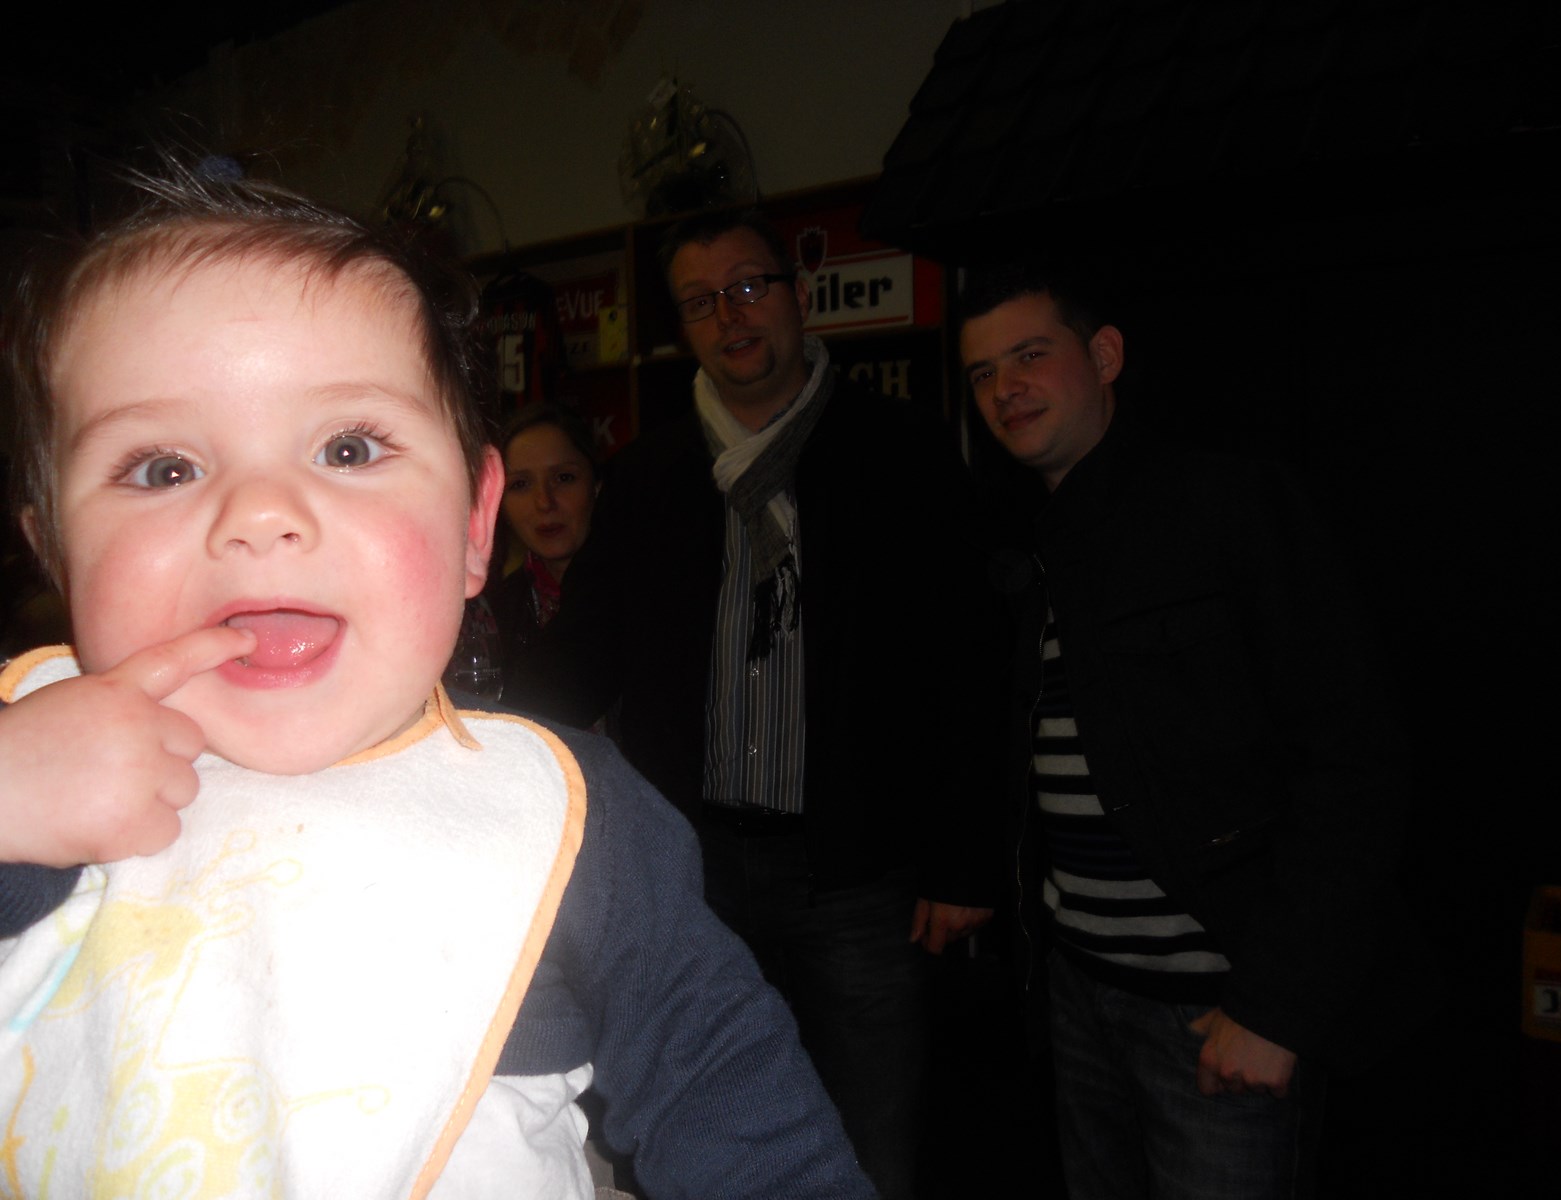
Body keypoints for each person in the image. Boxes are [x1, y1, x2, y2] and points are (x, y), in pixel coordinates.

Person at [0, 169, 874, 1200]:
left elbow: (740, 1113)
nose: (260, 514)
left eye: (348, 447)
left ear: (472, 525)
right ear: (55, 550)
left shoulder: (571, 825)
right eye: (163, 469)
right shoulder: (33, 775)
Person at [521, 209, 1001, 1200]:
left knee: (870, 1144)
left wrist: (964, 859)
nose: (729, 316)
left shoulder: (899, 451)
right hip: (695, 873)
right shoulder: (649, 475)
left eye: (748, 287)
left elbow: (966, 663)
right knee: (711, 1136)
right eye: (701, 302)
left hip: (858, 874)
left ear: (798, 294)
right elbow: (582, 656)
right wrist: (466, 734)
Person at [958, 263, 1412, 1198]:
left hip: (1216, 1018)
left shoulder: (1231, 508)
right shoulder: (1032, 548)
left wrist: (1276, 1007)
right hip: (1081, 997)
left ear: (1105, 355)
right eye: (982, 372)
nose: (1006, 388)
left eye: (1031, 355)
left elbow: (1352, 764)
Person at [473, 402, 602, 708]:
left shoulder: (647, 596)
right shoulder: (491, 615)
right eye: (521, 484)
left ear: (597, 486)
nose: (544, 502)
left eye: (564, 478)